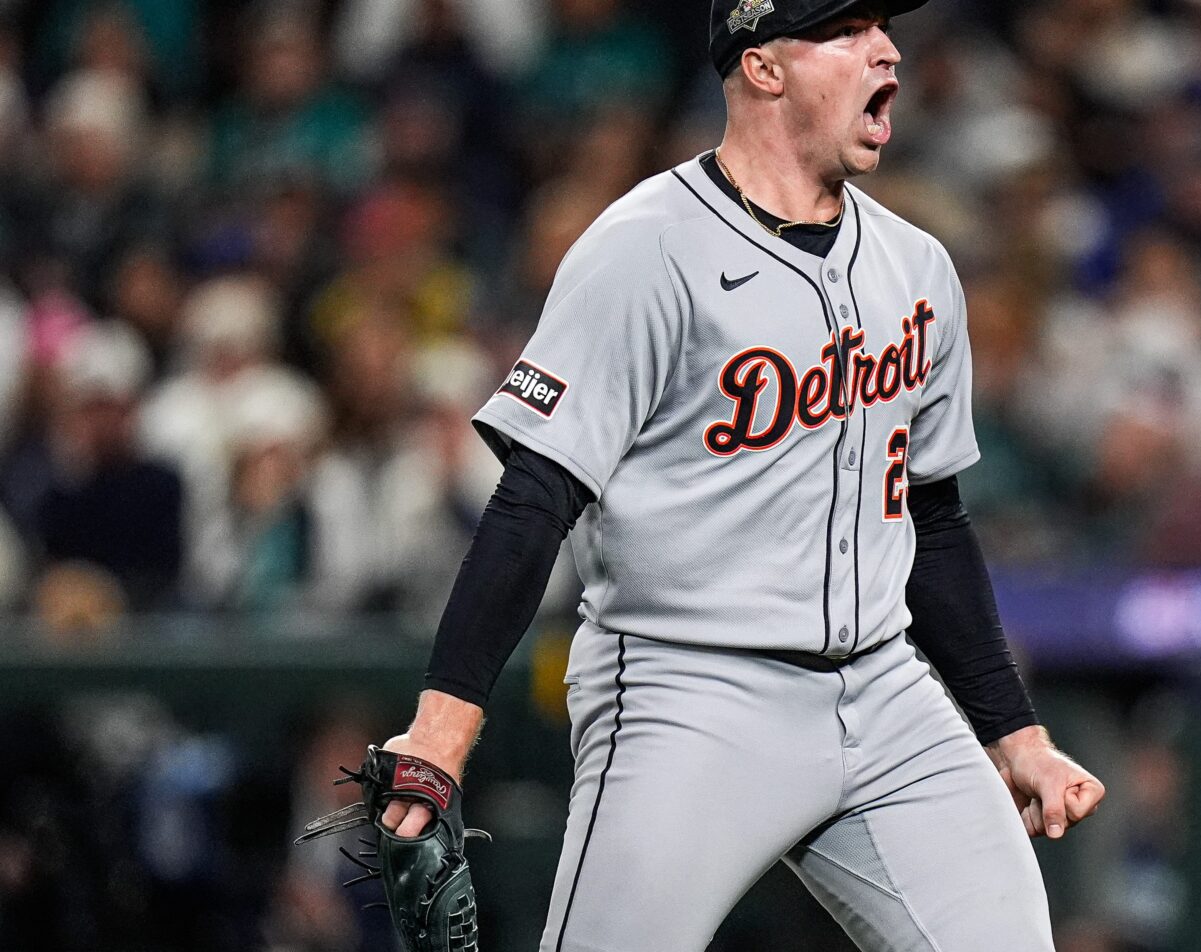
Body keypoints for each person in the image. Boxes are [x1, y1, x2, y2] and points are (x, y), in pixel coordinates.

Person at [372, 1, 1105, 948]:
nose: (886, 49)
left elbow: (933, 519)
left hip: (888, 693)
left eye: (882, 27)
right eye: (847, 31)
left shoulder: (918, 267)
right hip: (690, 696)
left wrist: (1016, 735)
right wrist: (442, 726)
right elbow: (533, 499)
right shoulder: (646, 247)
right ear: (764, 68)